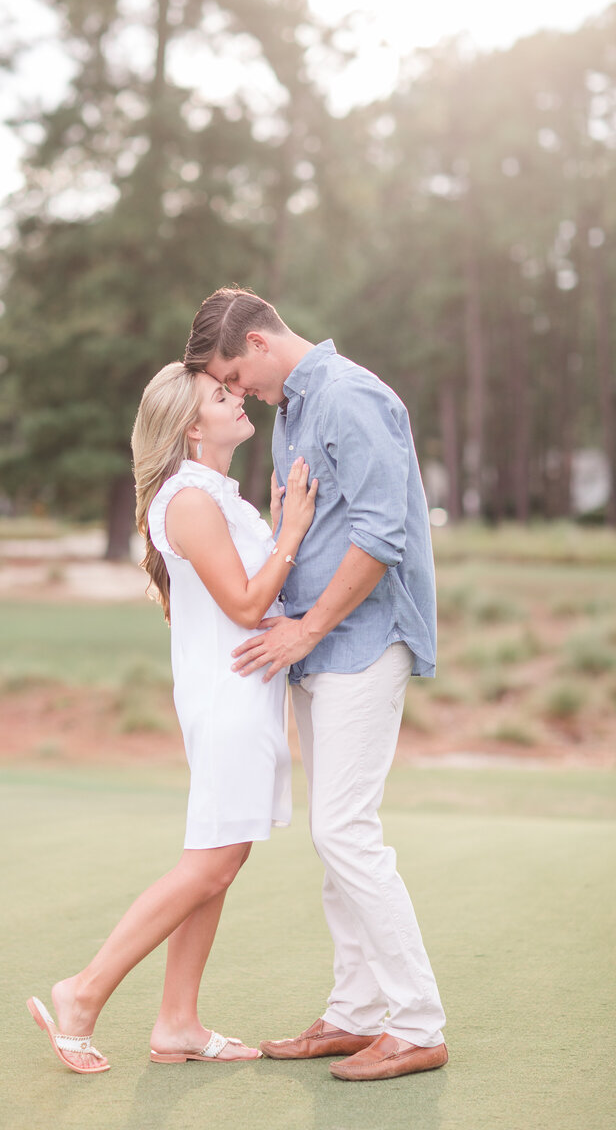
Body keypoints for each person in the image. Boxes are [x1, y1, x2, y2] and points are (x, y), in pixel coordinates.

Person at [184, 288, 448, 1083]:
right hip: (316, 644)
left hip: (363, 641)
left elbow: (381, 534)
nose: (241, 394)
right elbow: (314, 527)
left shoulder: (349, 397)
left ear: (261, 342)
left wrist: (306, 627)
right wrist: (288, 620)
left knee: (344, 831)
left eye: (236, 374)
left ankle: (417, 1023)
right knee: (334, 840)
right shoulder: (297, 409)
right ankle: (356, 1013)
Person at [27, 361, 317, 1071]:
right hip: (228, 705)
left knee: (222, 859)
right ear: (192, 427)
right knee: (210, 863)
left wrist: (278, 529)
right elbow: (248, 606)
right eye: (223, 395)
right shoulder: (189, 500)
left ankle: (178, 1023)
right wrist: (293, 531)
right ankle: (83, 992)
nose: (240, 396)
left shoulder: (217, 496)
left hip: (242, 700)